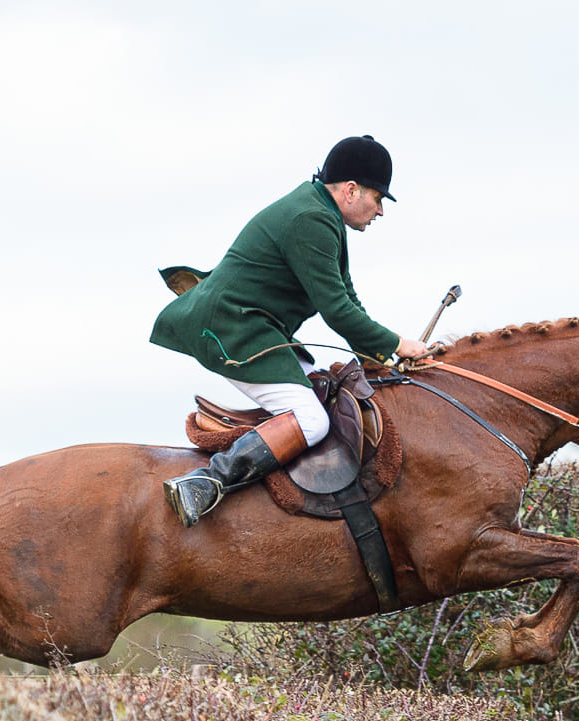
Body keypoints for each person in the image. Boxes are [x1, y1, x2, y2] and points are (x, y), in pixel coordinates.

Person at [151, 135, 430, 527]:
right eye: (378, 198)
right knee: (312, 421)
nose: (380, 210)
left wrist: (383, 355)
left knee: (321, 389)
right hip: (232, 330)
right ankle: (205, 483)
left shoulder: (323, 215)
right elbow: (337, 312)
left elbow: (347, 300)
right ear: (351, 190)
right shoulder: (311, 219)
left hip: (257, 326)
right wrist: (400, 344)